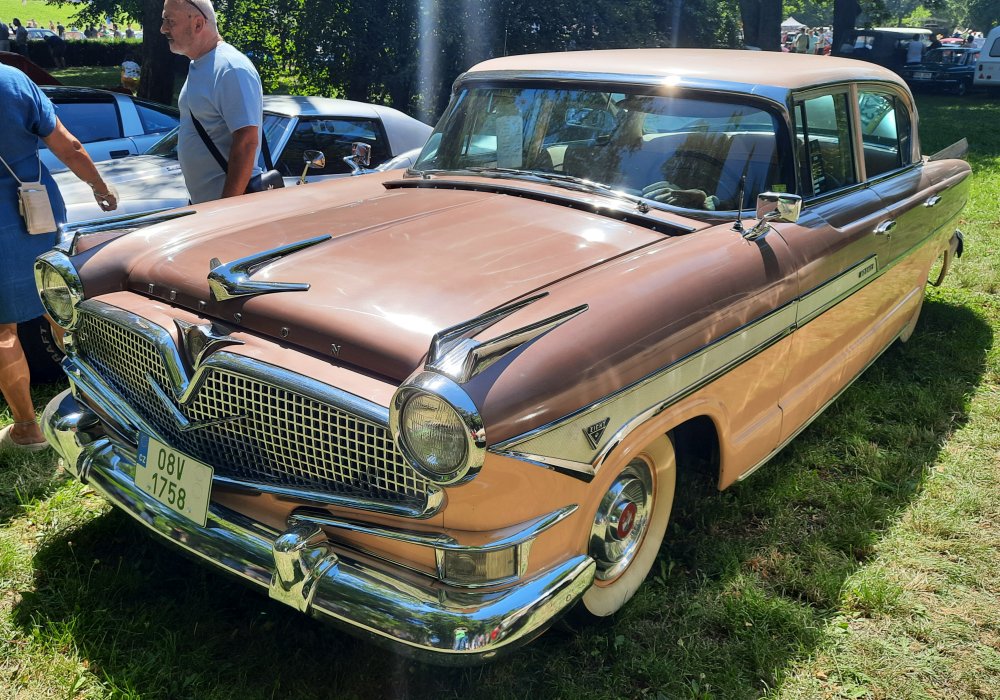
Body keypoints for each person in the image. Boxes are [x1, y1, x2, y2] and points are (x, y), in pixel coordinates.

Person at [0, 64, 118, 450]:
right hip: (33, 213)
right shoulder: (13, 81)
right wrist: (99, 186)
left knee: (2, 331)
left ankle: (27, 428)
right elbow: (68, 144)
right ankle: (93, 407)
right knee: (62, 309)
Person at [161, 0, 263, 203]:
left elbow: (247, 142)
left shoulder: (230, 68)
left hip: (229, 213)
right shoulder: (202, 64)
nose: (163, 29)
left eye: (170, 21)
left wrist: (224, 209)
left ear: (198, 24)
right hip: (208, 208)